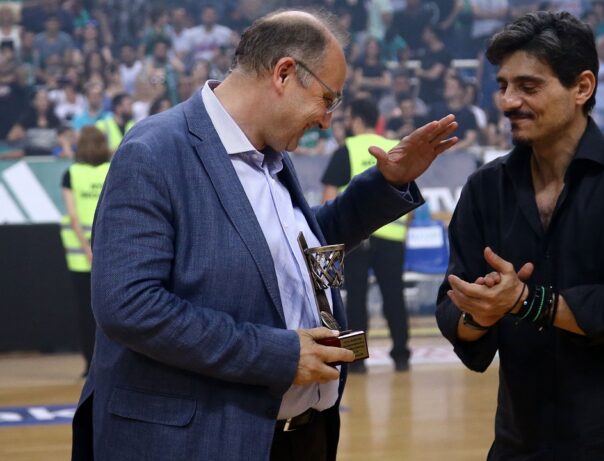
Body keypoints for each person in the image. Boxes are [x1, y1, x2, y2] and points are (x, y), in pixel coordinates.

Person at [70, 10, 458, 461]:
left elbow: (296, 249)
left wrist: (386, 184)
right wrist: (277, 354)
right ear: (284, 73)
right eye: (327, 99)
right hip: (198, 442)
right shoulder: (154, 150)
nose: (327, 120)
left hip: (299, 437)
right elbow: (128, 305)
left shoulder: (270, 152)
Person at [435, 11, 604, 459]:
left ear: (582, 87)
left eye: (528, 87)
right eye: (503, 86)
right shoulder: (486, 188)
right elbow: (452, 306)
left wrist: (523, 301)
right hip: (521, 443)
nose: (508, 102)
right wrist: (479, 315)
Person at [321, 97, 411, 373]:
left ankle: (356, 360)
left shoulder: (346, 150)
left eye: (349, 118)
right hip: (391, 236)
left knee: (356, 300)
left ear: (357, 120)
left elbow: (328, 198)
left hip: (355, 237)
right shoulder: (394, 148)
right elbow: (409, 195)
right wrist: (403, 232)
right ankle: (401, 356)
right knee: (394, 297)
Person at [59, 126, 111, 376]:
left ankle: (89, 364)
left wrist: (86, 248)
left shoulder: (71, 173)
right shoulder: (111, 169)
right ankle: (109, 363)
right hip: (108, 252)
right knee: (112, 309)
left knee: (85, 310)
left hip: (80, 257)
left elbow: (72, 215)